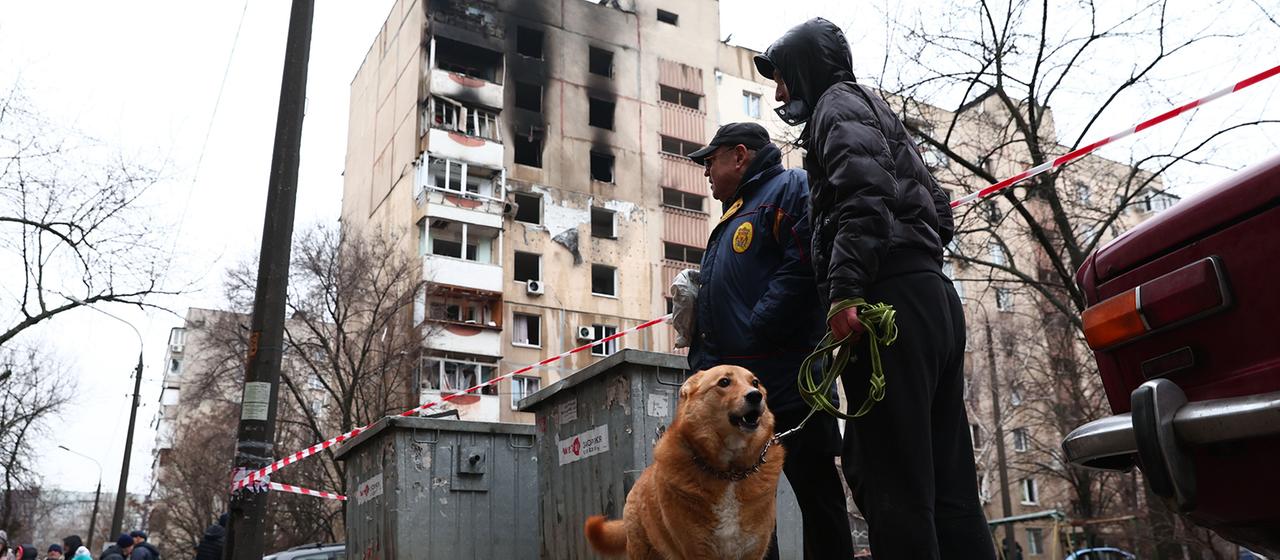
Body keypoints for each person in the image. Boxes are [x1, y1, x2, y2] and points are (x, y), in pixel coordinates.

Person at [756, 17, 996, 559]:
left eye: (782, 78)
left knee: (890, 483)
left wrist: (845, 291)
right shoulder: (875, 108)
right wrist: (917, 264)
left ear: (804, 70)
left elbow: (864, 192)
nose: (778, 93)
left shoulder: (835, 106)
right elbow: (938, 207)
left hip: (883, 302)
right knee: (948, 484)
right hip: (930, 297)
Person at [685, 122, 855, 559]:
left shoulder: (789, 188)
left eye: (711, 160)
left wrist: (759, 324)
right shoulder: (733, 214)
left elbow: (805, 264)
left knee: (817, 494)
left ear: (739, 155)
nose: (706, 172)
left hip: (792, 383)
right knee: (750, 507)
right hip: (743, 402)